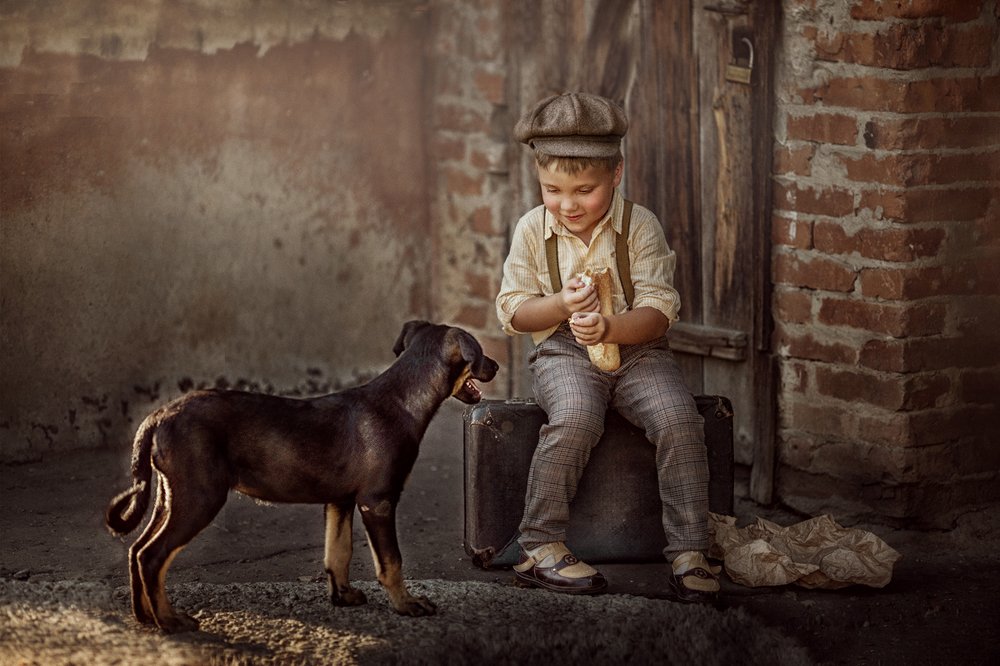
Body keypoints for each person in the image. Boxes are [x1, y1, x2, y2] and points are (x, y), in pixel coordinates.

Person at [495, 92, 719, 603]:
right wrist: (559, 304)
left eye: (585, 190)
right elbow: (512, 311)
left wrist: (611, 328)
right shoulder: (534, 230)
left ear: (616, 175)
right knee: (575, 416)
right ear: (538, 180)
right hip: (564, 352)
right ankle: (540, 545)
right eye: (553, 189)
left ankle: (690, 551)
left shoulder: (639, 226)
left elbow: (660, 310)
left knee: (679, 419)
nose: (568, 204)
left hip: (640, 353)